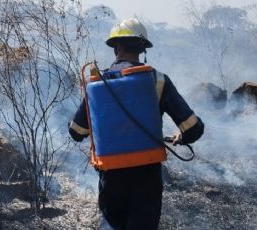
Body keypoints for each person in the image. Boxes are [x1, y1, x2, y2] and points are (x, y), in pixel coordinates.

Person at [69, 18, 204, 230]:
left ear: (116, 48)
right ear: (142, 48)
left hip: (111, 177)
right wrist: (181, 137)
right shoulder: (158, 80)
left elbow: (76, 132)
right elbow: (194, 128)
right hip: (147, 176)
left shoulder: (98, 84)